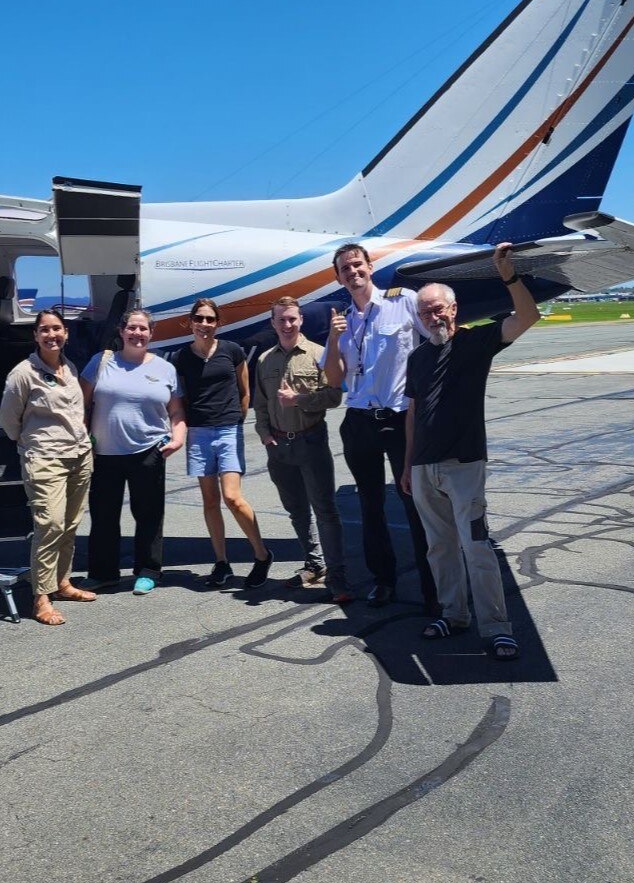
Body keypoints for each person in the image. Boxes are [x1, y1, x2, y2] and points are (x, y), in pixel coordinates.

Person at [401, 243, 541, 660]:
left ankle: (497, 627)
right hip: (424, 468)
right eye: (425, 313)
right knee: (439, 548)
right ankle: (454, 614)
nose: (433, 318)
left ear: (454, 308)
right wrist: (407, 466)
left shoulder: (476, 342)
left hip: (464, 466)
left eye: (438, 309)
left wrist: (508, 275)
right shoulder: (417, 358)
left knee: (476, 546)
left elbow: (527, 317)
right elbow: (413, 414)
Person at [322, 243, 438, 612]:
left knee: (414, 503)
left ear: (370, 267)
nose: (352, 272)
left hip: (400, 418)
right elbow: (333, 378)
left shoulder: (402, 301)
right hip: (360, 421)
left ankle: (433, 588)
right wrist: (333, 339)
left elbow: (437, 340)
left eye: (357, 264)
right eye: (345, 269)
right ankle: (383, 580)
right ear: (338, 278)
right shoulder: (343, 320)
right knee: (370, 506)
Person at [0, 309, 95, 626]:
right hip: (45, 458)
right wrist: (32, 443)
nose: (51, 335)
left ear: (66, 333)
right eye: (45, 330)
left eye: (57, 329)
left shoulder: (70, 367)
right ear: (36, 336)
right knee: (50, 524)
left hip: (79, 454)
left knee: (70, 523)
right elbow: (8, 419)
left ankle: (63, 583)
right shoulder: (23, 373)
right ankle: (41, 597)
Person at [80, 309, 186, 595]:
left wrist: (177, 439)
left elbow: (176, 411)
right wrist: (83, 439)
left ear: (151, 334)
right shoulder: (101, 362)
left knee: (149, 514)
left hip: (148, 450)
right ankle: (103, 574)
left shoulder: (165, 369)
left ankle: (148, 570)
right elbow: (80, 403)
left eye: (143, 329)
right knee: (103, 516)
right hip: (104, 452)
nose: (137, 333)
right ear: (121, 331)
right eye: (132, 328)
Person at [253, 297, 349, 600]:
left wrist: (299, 400)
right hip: (279, 447)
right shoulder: (265, 360)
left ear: (301, 320)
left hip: (311, 441)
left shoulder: (319, 354)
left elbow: (334, 396)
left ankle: (338, 577)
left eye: (292, 318)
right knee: (296, 510)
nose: (287, 324)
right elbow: (260, 403)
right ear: (273, 323)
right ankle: (314, 563)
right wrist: (264, 434)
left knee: (325, 511)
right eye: (281, 319)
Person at [174, 298, 273, 589]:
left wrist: (236, 419)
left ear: (218, 323)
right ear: (190, 322)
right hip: (199, 433)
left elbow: (245, 390)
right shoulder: (182, 357)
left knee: (232, 497)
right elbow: (181, 396)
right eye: (199, 319)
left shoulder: (232, 351)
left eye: (210, 319)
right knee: (210, 501)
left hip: (228, 429)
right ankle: (221, 562)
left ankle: (262, 554)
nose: (204, 324)